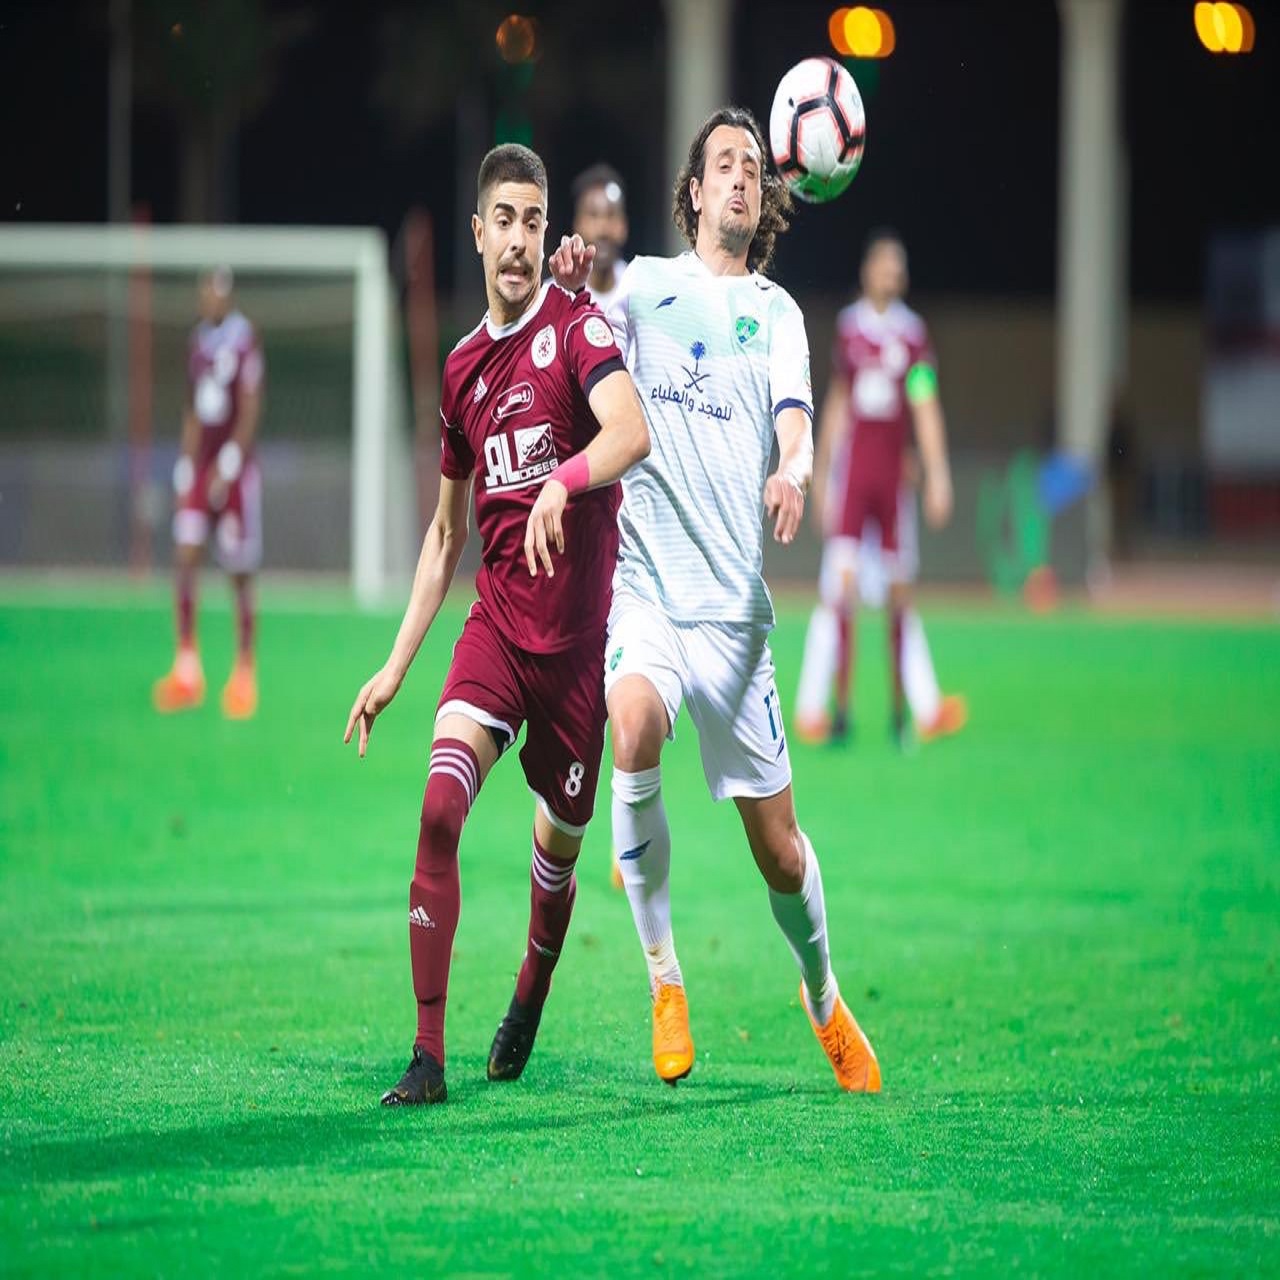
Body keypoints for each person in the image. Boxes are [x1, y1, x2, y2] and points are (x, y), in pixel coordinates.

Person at [551, 107, 880, 1093]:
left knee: (779, 852)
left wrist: (792, 468)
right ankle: (663, 979)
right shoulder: (644, 285)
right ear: (691, 190)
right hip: (647, 596)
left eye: (750, 165)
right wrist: (571, 265)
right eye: (720, 164)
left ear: (766, 194)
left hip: (733, 620)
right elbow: (587, 284)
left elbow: (796, 421)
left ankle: (820, 991)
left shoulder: (776, 313)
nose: (738, 177)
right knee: (630, 726)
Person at [344, 143, 649, 1106]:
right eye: (501, 222)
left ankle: (531, 987)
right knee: (439, 809)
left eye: (531, 220)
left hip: (577, 658)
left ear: (544, 229)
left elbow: (631, 431)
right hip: (499, 635)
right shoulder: (461, 370)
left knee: (556, 854)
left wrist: (565, 479)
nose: (516, 241)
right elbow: (443, 538)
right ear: (478, 234)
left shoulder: (579, 327)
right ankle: (427, 1056)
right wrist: (395, 666)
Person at [795, 231, 966, 747]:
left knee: (899, 595)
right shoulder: (850, 331)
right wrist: (822, 472)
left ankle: (924, 708)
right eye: (885, 264)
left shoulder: (912, 336)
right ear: (868, 271)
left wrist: (937, 472)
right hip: (854, 481)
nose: (893, 273)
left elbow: (924, 402)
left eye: (900, 266)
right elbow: (840, 404)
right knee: (836, 592)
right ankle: (813, 709)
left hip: (893, 484)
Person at [152, 267, 263, 719]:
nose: (209, 302)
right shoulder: (197, 342)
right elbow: (192, 408)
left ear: (228, 298)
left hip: (234, 470)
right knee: (186, 553)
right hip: (201, 468)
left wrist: (233, 458)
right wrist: (185, 462)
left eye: (216, 295)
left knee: (238, 569)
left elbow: (252, 402)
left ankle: (243, 671)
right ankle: (187, 668)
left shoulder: (244, 340)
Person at [571, 163, 629, 315]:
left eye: (611, 215)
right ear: (577, 225)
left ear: (623, 225)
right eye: (593, 215)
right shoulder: (557, 297)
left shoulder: (638, 292)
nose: (603, 228)